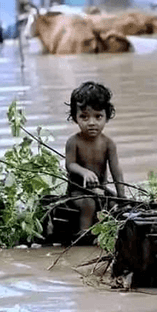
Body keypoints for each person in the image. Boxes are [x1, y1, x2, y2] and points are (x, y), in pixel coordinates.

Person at [65, 81, 125, 232]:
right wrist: (84, 172)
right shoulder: (74, 142)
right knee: (89, 204)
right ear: (74, 117)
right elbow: (70, 165)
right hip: (78, 192)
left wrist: (122, 197)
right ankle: (83, 234)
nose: (91, 123)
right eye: (84, 117)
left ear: (107, 117)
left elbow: (116, 171)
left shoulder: (108, 144)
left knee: (113, 207)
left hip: (100, 190)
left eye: (98, 117)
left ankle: (109, 235)